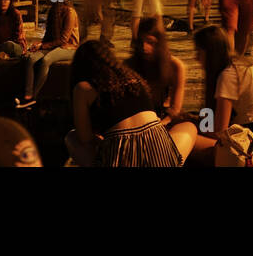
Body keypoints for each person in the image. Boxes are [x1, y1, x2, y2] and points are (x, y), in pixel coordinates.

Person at [65, 40, 198, 167]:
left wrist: (106, 140)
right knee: (189, 127)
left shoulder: (83, 88)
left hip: (120, 159)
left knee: (71, 137)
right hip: (160, 156)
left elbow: (85, 138)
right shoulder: (133, 78)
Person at [194, 25, 253, 165]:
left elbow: (219, 131)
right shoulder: (237, 66)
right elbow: (210, 118)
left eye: (199, 52)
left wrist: (192, 125)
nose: (196, 58)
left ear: (210, 53)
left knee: (184, 140)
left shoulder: (229, 75)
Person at [17, 0, 80, 108]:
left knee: (46, 60)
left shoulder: (70, 12)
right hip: (53, 45)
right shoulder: (53, 11)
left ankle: (34, 97)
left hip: (69, 47)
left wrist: (43, 46)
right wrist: (39, 44)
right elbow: (48, 35)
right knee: (30, 58)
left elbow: (63, 40)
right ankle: (27, 95)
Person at [128, 17, 188, 124]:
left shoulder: (175, 66)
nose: (144, 47)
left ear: (160, 43)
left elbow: (175, 109)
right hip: (137, 120)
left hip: (165, 119)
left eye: (150, 42)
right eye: (141, 41)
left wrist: (161, 125)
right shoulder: (129, 65)